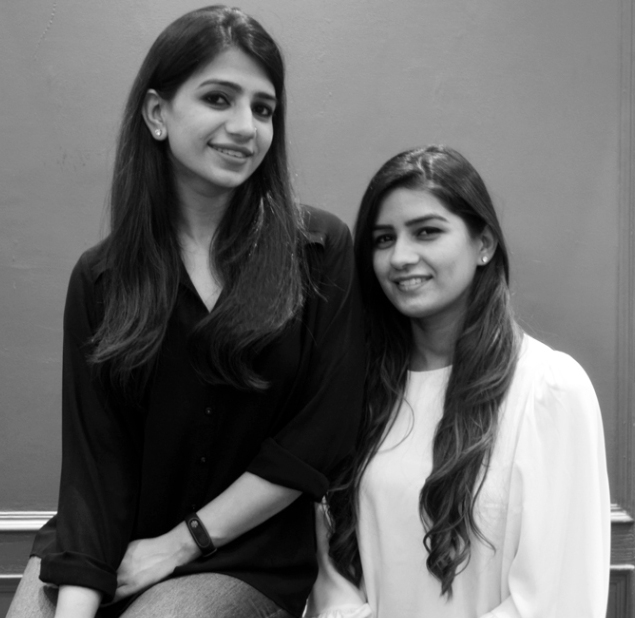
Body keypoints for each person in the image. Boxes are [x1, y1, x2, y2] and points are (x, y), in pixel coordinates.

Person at [7, 6, 364, 618]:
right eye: (218, 98)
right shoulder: (101, 279)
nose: (245, 127)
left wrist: (177, 545)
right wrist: (79, 598)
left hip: (245, 559)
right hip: (106, 544)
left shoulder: (318, 250)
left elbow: (317, 441)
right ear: (157, 114)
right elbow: (96, 470)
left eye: (263, 109)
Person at [305, 145, 610, 618]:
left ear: (483, 244)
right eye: (383, 239)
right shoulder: (361, 390)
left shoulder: (548, 390)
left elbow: (559, 601)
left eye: (426, 232)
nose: (400, 257)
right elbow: (334, 580)